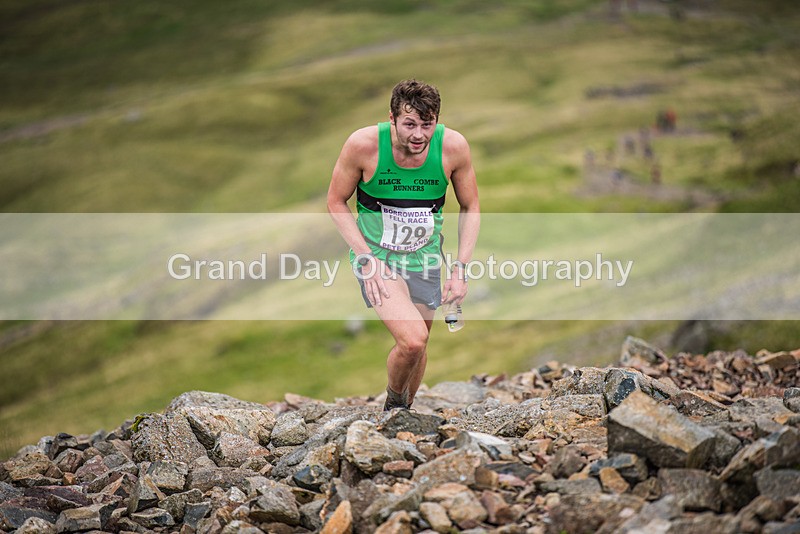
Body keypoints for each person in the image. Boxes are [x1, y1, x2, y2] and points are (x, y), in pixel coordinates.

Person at [327, 79, 480, 410]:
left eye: (427, 124)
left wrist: (460, 270)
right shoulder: (363, 145)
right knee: (412, 341)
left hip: (425, 258)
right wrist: (366, 258)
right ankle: (394, 407)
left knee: (420, 348)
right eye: (409, 124)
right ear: (392, 118)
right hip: (378, 257)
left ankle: (402, 417)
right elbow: (336, 201)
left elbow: (471, 206)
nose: (419, 135)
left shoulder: (453, 147)